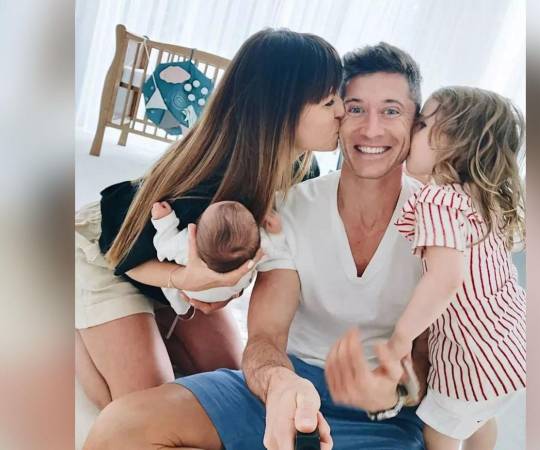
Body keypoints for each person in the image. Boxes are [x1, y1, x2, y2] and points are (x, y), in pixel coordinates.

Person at [84, 42, 430, 450]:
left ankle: (164, 322)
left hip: (380, 418)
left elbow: (440, 357)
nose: (369, 128)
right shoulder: (274, 199)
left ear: (416, 123)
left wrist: (401, 388)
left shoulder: (441, 224)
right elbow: (265, 333)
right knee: (122, 417)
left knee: (214, 358)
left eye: (391, 111)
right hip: (113, 251)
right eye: (352, 107)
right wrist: (279, 380)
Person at [75, 28, 343, 410]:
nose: (342, 111)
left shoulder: (305, 173)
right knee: (142, 407)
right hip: (112, 254)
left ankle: (152, 325)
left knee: (229, 384)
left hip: (179, 275)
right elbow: (121, 248)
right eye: (330, 101)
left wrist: (221, 288)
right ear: (283, 109)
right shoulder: (211, 179)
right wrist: (182, 280)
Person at [388, 86, 526, 450]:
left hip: (473, 361)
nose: (411, 131)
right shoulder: (481, 195)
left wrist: (401, 337)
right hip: (512, 345)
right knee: (481, 417)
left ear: (454, 144)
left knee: (439, 432)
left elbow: (445, 279)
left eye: (421, 125)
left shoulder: (438, 201)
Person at [150, 200, 286, 313]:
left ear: (196, 230)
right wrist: (277, 232)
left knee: (174, 291)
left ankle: (179, 307)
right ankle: (181, 308)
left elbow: (163, 245)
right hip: (226, 293)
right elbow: (275, 251)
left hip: (191, 291)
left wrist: (164, 221)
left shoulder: (186, 247)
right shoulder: (257, 251)